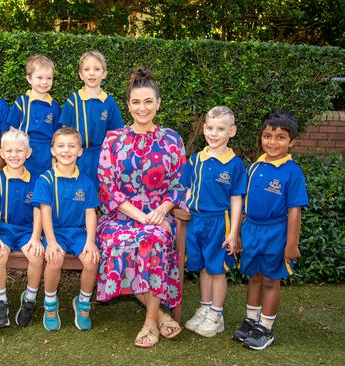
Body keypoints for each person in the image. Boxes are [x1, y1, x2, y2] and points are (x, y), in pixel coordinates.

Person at [96, 67, 186, 348]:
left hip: (159, 214)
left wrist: (162, 210)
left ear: (158, 103)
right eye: (136, 102)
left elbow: (181, 181)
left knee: (153, 240)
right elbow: (107, 186)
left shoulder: (172, 139)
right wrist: (140, 216)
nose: (142, 108)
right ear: (128, 105)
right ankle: (159, 313)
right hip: (120, 215)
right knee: (118, 243)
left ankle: (149, 322)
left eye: (148, 101)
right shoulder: (114, 139)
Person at [233, 110, 308, 350]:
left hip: (276, 232)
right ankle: (251, 321)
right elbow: (244, 202)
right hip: (252, 230)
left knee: (270, 280)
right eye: (267, 136)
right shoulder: (255, 166)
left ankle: (266, 327)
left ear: (292, 141)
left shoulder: (292, 172)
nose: (272, 143)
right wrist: (240, 233)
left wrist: (292, 243)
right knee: (253, 277)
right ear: (261, 138)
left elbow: (294, 211)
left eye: (280, 138)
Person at [180, 106, 247, 337]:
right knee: (204, 268)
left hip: (220, 222)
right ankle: (205, 307)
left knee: (217, 270)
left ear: (232, 131)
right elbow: (186, 187)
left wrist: (233, 232)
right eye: (210, 128)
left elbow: (237, 200)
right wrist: (186, 200)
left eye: (220, 129)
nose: (214, 133)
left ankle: (217, 315)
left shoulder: (235, 165)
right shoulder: (196, 159)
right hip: (197, 221)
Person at [32, 127, 100, 332]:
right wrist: (51, 242)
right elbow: (44, 213)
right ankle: (50, 304)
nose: (66, 150)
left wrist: (90, 241)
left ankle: (83, 303)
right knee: (55, 258)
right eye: (60, 146)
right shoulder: (45, 180)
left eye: (71, 146)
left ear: (80, 151)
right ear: (52, 150)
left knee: (91, 259)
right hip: (55, 232)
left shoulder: (86, 181)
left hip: (78, 232)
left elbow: (90, 213)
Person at [0, 129, 44, 328]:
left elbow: (39, 212)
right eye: (9, 151)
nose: (14, 155)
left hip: (27, 231)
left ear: (28, 153)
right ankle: (0, 301)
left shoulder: (37, 180)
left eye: (19, 151)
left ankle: (29, 298)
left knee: (37, 255)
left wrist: (36, 238)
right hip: (3, 230)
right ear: (1, 153)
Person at [58, 50, 123, 187]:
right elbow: (64, 132)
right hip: (77, 156)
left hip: (101, 156)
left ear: (104, 74)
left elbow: (117, 135)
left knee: (99, 192)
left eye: (97, 69)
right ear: (81, 75)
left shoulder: (109, 102)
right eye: (87, 69)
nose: (92, 73)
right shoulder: (73, 100)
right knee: (76, 191)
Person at [5, 54, 62, 177]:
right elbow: (12, 131)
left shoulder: (54, 106)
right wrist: (13, 151)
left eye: (49, 78)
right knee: (23, 181)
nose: (44, 82)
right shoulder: (21, 102)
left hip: (46, 151)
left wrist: (54, 157)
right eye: (39, 77)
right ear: (29, 79)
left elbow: (57, 135)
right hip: (24, 149)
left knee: (44, 182)